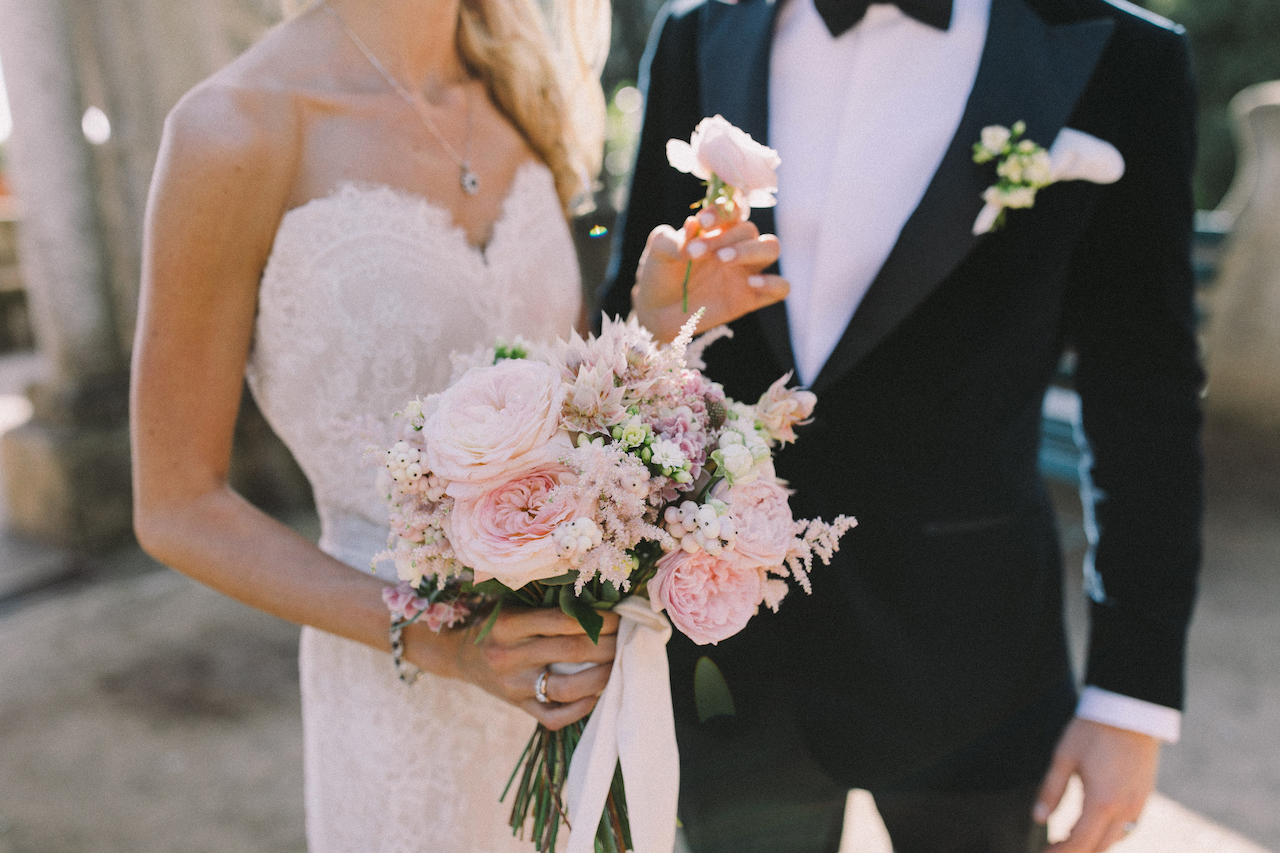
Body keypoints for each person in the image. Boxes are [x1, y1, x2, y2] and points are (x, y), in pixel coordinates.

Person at [128, 0, 781, 850]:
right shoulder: (233, 129)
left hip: (577, 686)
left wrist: (658, 326)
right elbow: (176, 504)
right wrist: (443, 642)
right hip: (399, 701)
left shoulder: (517, 91)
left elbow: (557, 413)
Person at [602, 0, 1204, 850]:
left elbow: (1144, 397)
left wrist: (1130, 697)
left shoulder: (1119, 55)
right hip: (724, 665)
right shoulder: (702, 34)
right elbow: (631, 327)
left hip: (977, 667)